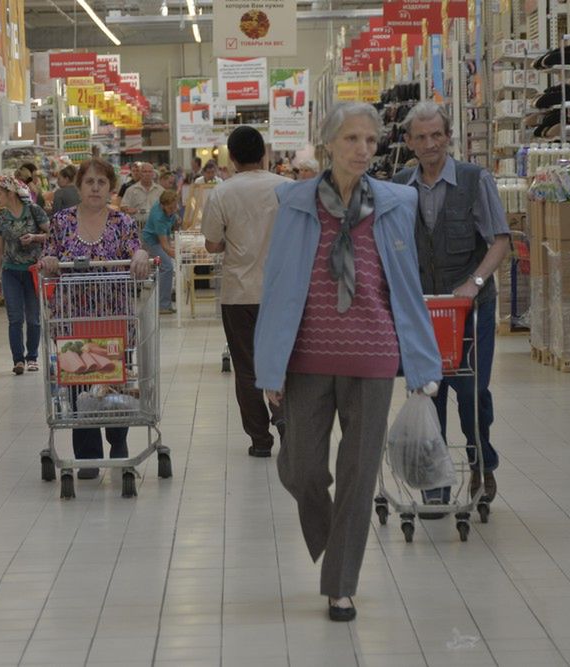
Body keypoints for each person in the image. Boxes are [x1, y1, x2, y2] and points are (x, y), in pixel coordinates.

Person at [254, 102, 442, 621]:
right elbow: (278, 285)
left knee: (359, 477)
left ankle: (340, 585)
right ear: (327, 145)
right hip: (307, 357)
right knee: (301, 467)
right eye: (351, 139)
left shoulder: (395, 203)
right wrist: (270, 367)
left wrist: (422, 365)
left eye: (369, 140)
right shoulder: (292, 201)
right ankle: (332, 532)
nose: (362, 150)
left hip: (373, 355)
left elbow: (406, 287)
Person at [393, 101, 511, 511]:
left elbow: (500, 240)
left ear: (448, 137)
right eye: (421, 137)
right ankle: (435, 479)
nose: (430, 144)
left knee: (472, 390)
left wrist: (473, 283)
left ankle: (482, 462)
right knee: (429, 394)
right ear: (408, 142)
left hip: (470, 309)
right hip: (423, 312)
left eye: (437, 135)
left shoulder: (475, 180)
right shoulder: (399, 188)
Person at [40, 157, 151, 479]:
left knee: (110, 381)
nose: (95, 188)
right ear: (79, 186)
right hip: (72, 318)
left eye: (102, 182)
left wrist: (141, 255)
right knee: (78, 385)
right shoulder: (61, 222)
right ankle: (87, 453)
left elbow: (136, 250)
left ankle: (117, 441)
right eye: (89, 182)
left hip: (112, 317)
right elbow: (49, 253)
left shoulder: (123, 223)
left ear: (111, 187)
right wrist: (48, 259)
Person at [201, 126, 291, 457]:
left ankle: (260, 439)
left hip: (239, 294)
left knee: (247, 367)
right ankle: (284, 418)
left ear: (233, 158)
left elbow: (211, 244)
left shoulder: (222, 193)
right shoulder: (288, 188)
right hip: (282, 291)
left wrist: (231, 242)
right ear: (264, 154)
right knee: (283, 361)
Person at [0, 175, 50, 375]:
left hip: (33, 271)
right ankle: (18, 360)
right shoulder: (1, 218)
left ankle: (32, 356)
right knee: (15, 318)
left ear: (11, 193)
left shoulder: (34, 211)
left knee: (33, 318)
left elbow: (54, 235)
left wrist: (35, 237)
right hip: (10, 272)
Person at [142, 190, 179, 314]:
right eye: (170, 208)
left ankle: (164, 301)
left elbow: (167, 237)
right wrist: (179, 254)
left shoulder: (165, 206)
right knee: (167, 267)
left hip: (160, 238)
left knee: (167, 266)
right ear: (162, 206)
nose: (173, 210)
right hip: (151, 242)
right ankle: (163, 305)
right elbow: (164, 246)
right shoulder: (159, 217)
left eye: (175, 207)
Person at [120, 162, 164, 228]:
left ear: (153, 174)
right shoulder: (131, 190)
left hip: (156, 227)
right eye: (145, 172)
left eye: (150, 172)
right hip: (137, 227)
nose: (147, 174)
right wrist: (128, 209)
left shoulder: (161, 190)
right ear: (140, 174)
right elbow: (123, 206)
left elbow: (168, 206)